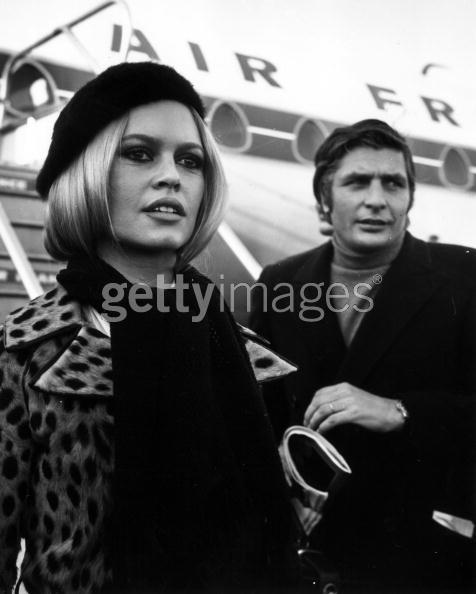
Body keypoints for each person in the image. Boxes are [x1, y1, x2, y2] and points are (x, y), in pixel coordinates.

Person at [0, 61, 299, 593]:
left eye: (191, 161)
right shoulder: (26, 351)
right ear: (86, 173)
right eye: (139, 153)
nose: (172, 176)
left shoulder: (242, 349)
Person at [250, 119, 476, 593]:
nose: (377, 199)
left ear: (409, 199)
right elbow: (258, 415)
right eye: (357, 182)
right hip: (309, 556)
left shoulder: (465, 276)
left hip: (425, 561)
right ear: (325, 200)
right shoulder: (279, 282)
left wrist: (401, 411)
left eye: (393, 183)